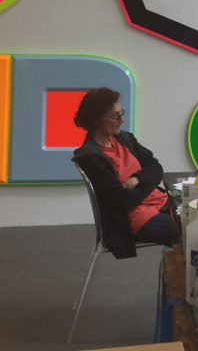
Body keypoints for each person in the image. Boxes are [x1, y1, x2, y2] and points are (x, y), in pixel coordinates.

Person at [73, 87, 179, 258]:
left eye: (121, 113)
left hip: (162, 203)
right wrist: (149, 181)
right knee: (191, 233)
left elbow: (156, 167)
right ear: (97, 119)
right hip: (135, 218)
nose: (122, 120)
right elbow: (120, 200)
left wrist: (136, 179)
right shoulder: (92, 157)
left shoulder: (124, 139)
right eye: (116, 116)